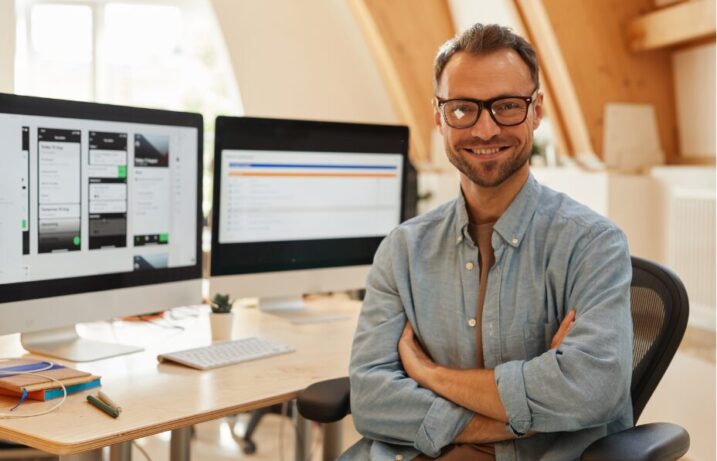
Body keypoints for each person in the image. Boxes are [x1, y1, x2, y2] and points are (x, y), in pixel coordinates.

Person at [342, 23, 633, 461]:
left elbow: (592, 389)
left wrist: (429, 374)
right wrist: (517, 412)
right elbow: (369, 398)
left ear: (536, 111)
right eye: (463, 109)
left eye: (507, 106)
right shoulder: (402, 251)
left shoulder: (593, 245)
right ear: (439, 117)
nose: (484, 129)